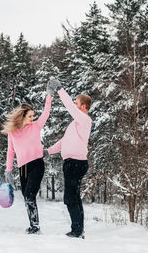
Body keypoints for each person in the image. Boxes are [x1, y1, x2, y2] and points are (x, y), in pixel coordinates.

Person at [45, 78, 92, 239]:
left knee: (70, 197)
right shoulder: (75, 124)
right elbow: (63, 141)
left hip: (76, 163)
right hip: (71, 163)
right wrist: (48, 151)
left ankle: (77, 231)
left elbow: (70, 108)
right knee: (74, 197)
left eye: (77, 103)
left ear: (83, 107)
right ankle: (78, 230)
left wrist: (59, 89)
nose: (74, 104)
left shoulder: (85, 120)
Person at [2, 88, 53, 234]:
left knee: (30, 195)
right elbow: (10, 151)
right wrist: (8, 170)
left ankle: (36, 227)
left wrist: (49, 96)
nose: (32, 118)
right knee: (26, 196)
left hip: (37, 164)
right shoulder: (13, 132)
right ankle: (32, 225)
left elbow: (46, 113)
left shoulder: (36, 126)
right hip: (23, 167)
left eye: (33, 116)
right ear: (22, 116)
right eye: (30, 116)